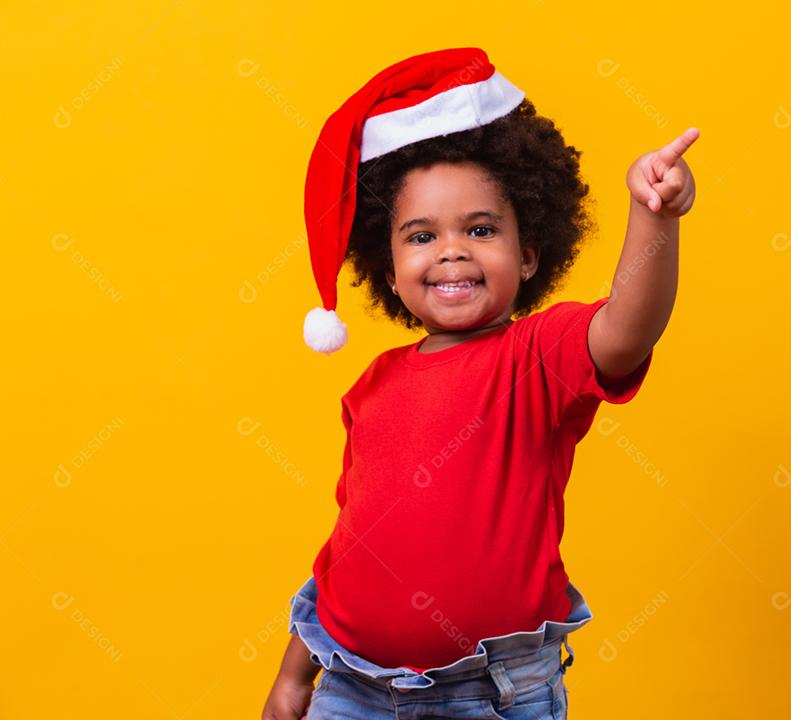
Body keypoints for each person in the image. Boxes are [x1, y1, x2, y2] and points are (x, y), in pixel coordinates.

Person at [262, 46, 698, 720]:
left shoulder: (536, 357)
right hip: (352, 688)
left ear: (528, 255)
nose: (451, 250)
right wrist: (296, 674)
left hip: (492, 696)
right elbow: (348, 546)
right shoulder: (373, 385)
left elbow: (626, 332)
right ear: (388, 269)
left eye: (481, 228)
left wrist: (655, 217)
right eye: (420, 236)